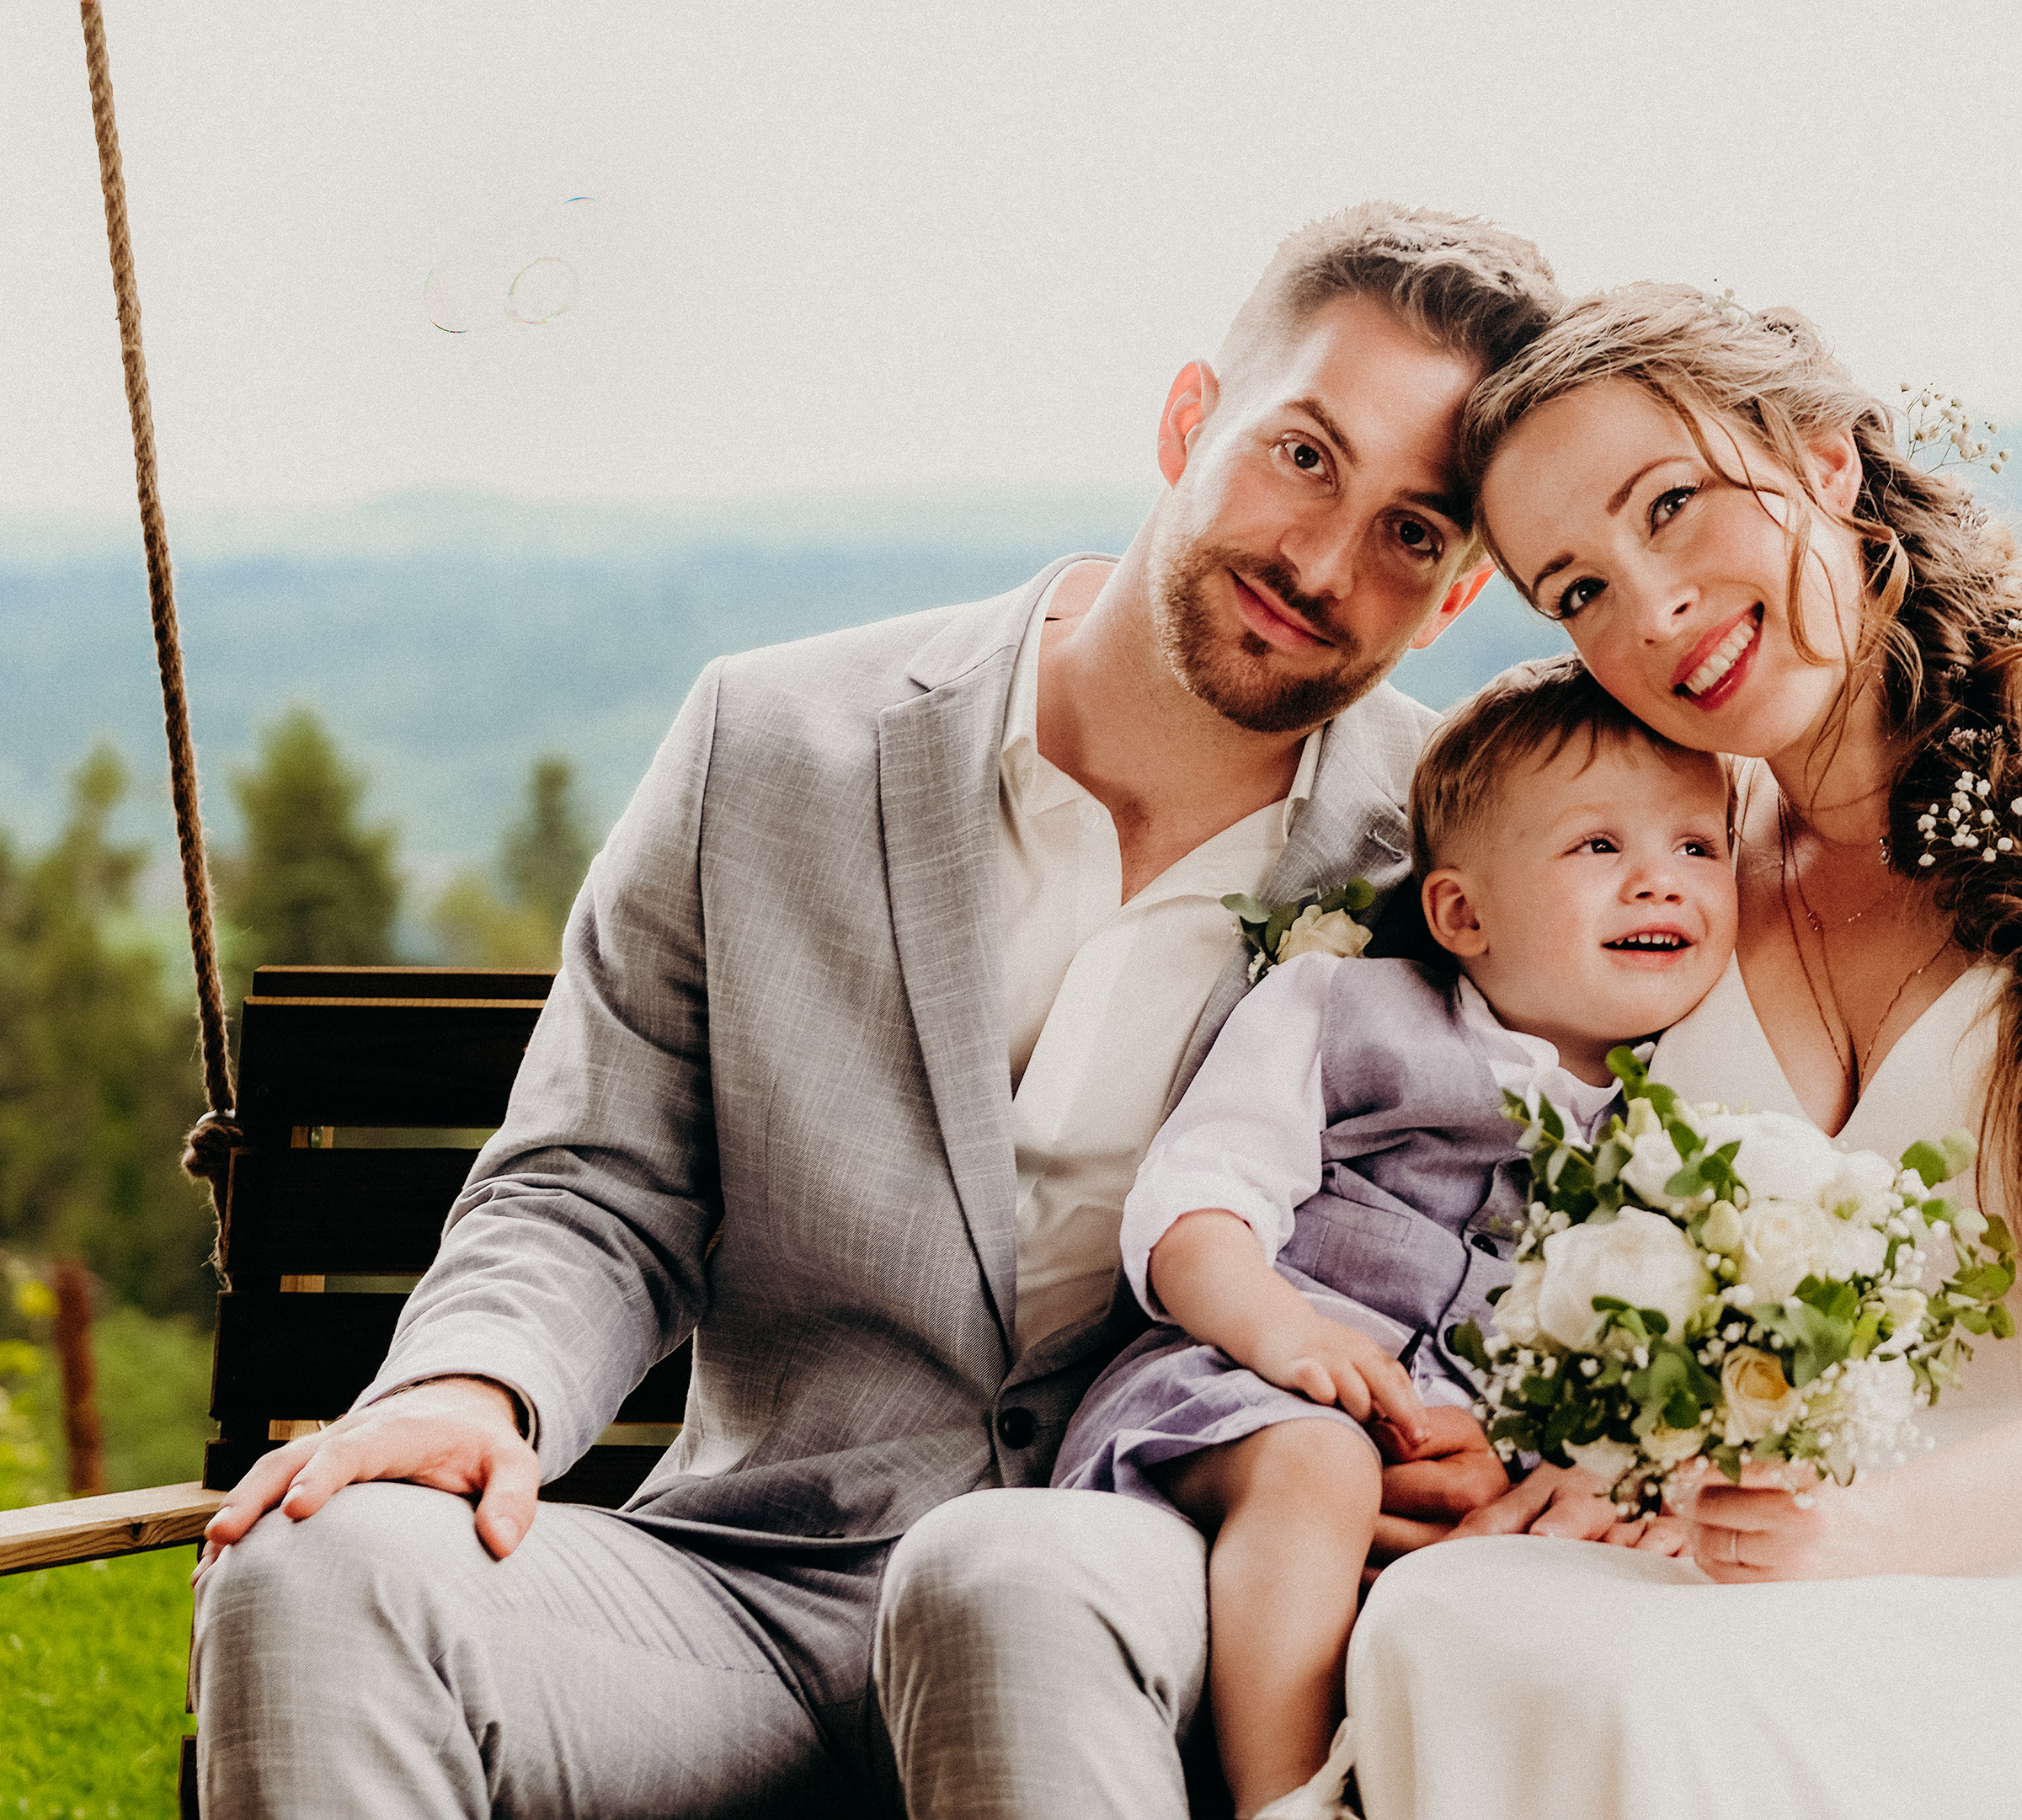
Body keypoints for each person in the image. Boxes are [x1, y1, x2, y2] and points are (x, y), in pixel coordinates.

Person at [185, 203, 1563, 1820]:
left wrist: (1509, 1442)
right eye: (1303, 455)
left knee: (1006, 1586)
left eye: (1413, 530)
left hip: (1153, 1613)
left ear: (1456, 596)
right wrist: (469, 1387)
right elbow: (594, 1186)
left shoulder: (1469, 865)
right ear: (1190, 419)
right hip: (744, 1601)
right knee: (318, 1573)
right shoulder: (771, 741)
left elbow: (1569, 1204)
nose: (1324, 562)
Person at [1340, 285, 2022, 1817]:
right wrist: (1562, 1452)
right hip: (1764, 1590)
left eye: (1670, 505)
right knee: (1446, 1621)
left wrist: (1865, 1530)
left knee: (1632, 1682)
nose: (1652, 610)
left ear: (1826, 459)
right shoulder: (1663, 882)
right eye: (1580, 590)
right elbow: (1484, 1178)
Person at [1054, 658, 1735, 1816]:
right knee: (1320, 1461)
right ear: (1463, 913)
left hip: (1480, 1465)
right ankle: (1282, 1798)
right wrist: (1283, 1333)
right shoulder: (1340, 1008)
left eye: (1698, 846)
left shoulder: (1692, 1111)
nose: (1659, 881)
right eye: (1599, 846)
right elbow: (1198, 1201)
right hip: (1240, 1397)